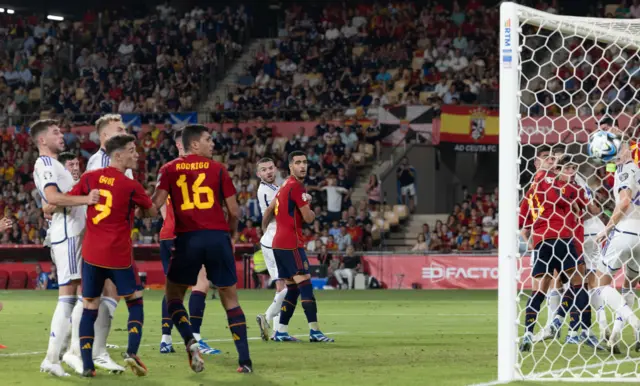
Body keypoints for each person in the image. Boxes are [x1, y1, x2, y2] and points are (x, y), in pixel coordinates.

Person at [152, 124, 252, 374]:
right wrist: (230, 234)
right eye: (208, 140)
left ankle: (189, 340)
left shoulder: (169, 169)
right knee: (230, 299)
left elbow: (154, 205)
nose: (213, 144)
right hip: (217, 238)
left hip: (187, 239)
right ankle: (245, 362)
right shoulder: (218, 169)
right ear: (194, 144)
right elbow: (235, 211)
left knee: (173, 296)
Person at [68, 134, 157, 377]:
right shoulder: (131, 186)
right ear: (118, 155)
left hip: (92, 253)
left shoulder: (90, 178)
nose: (136, 154)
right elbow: (151, 212)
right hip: (118, 254)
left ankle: (87, 365)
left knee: (89, 306)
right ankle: (131, 352)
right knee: (135, 301)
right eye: (131, 150)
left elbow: (72, 198)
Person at [63, 114, 131, 374]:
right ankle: (81, 351)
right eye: (119, 129)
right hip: (99, 237)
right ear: (104, 137)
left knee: (106, 293)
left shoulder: (118, 160)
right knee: (95, 294)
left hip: (111, 237)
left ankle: (89, 350)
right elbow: (89, 200)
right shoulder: (102, 162)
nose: (125, 132)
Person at [32, 119, 100, 377]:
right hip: (69, 234)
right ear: (42, 140)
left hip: (73, 234)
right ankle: (57, 356)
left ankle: (66, 352)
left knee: (80, 294)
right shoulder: (47, 163)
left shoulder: (55, 164)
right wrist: (86, 199)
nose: (61, 135)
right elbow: (51, 198)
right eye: (55, 132)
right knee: (71, 296)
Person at [518, 148, 596, 352]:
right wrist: (575, 203)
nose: (552, 161)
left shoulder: (530, 189)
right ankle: (571, 326)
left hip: (541, 242)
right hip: (562, 237)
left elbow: (523, 222)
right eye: (549, 158)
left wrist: (530, 239)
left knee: (539, 289)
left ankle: (528, 332)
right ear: (538, 163)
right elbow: (569, 201)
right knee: (580, 282)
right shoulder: (556, 182)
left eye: (554, 159)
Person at [261, 150, 334, 342]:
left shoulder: (284, 185)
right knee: (306, 285)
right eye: (298, 162)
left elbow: (269, 212)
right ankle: (315, 331)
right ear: (290, 166)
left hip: (278, 242)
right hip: (291, 243)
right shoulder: (297, 187)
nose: (302, 166)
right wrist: (309, 206)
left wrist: (265, 231)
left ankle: (281, 331)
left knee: (292, 289)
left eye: (305, 162)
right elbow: (309, 218)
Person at [158, 129, 219, 355]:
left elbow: (161, 205)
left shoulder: (169, 170)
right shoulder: (191, 170)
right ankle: (196, 337)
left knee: (173, 289)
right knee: (201, 284)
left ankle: (166, 339)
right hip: (185, 235)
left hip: (169, 234)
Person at [592, 140, 640, 351]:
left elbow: (624, 202)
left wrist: (607, 228)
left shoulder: (625, 171)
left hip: (625, 230)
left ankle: (634, 322)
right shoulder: (636, 169)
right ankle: (617, 336)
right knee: (630, 285)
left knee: (600, 283)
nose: (624, 146)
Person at [255, 157, 292, 341]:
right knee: (288, 287)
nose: (268, 172)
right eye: (264, 170)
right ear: (258, 174)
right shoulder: (266, 190)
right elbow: (278, 211)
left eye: (270, 168)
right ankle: (267, 318)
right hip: (274, 242)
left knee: (282, 286)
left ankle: (279, 332)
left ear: (275, 169)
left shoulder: (275, 188)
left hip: (273, 240)